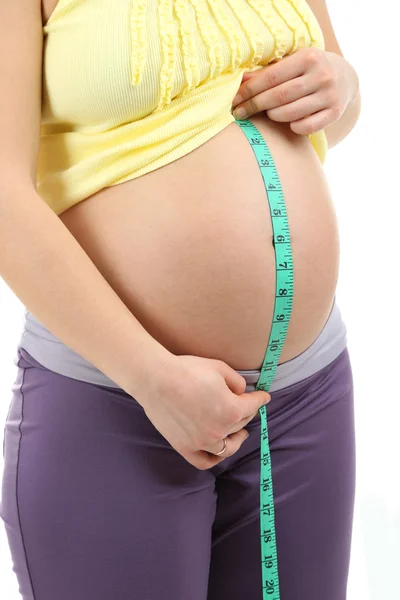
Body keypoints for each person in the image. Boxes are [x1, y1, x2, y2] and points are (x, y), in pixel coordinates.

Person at [0, 1, 361, 599]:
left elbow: (331, 108)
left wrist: (341, 86)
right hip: (117, 404)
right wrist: (151, 378)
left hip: (305, 396)